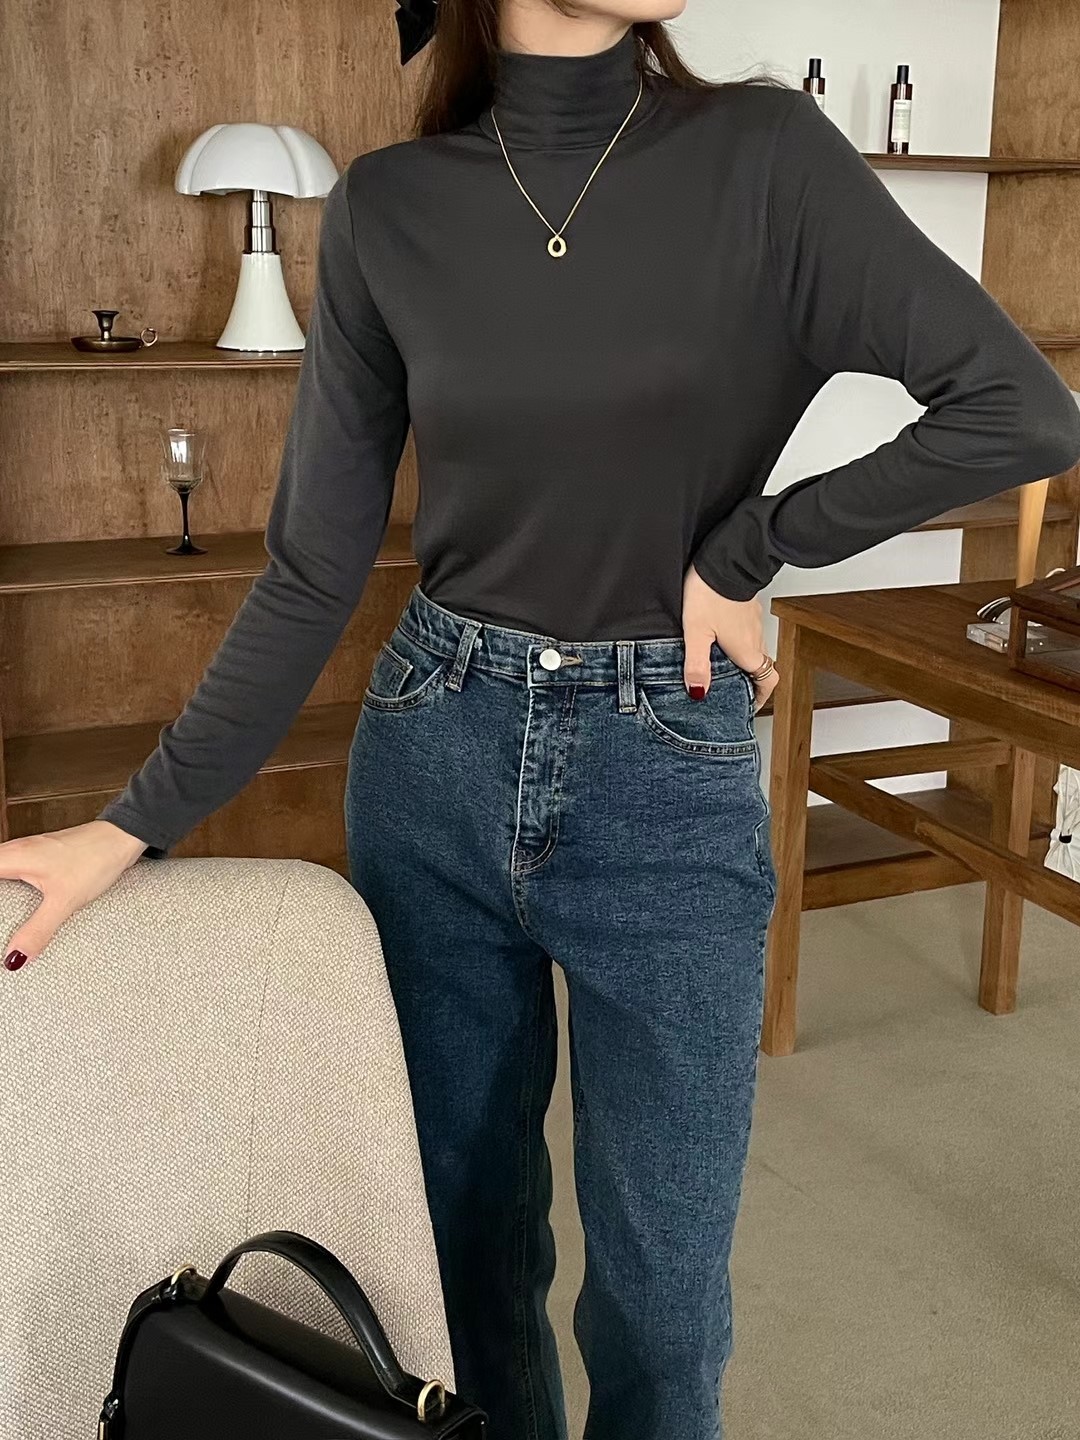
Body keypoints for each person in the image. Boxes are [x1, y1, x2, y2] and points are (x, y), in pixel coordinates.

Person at [4, 1, 1080, 1435]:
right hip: (435, 751)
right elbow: (315, 569)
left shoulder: (766, 157)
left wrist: (748, 549)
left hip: (666, 762)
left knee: (662, 1304)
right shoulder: (392, 206)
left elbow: (1020, 410)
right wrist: (128, 826)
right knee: (465, 1257)